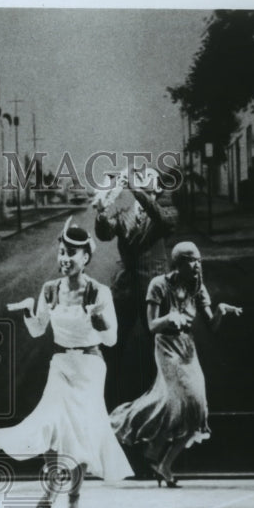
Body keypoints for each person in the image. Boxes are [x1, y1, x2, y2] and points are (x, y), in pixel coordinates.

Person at [0, 219, 132, 508]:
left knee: (78, 435)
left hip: (90, 368)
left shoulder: (99, 292)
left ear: (85, 258)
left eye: (72, 254)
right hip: (61, 366)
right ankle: (53, 481)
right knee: (50, 424)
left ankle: (73, 502)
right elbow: (40, 330)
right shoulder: (49, 289)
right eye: (62, 252)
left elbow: (112, 339)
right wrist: (29, 310)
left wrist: (98, 320)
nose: (64, 259)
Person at [110, 241, 243, 487]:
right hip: (166, 347)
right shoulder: (159, 285)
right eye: (191, 260)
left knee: (197, 407)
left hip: (187, 348)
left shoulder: (197, 286)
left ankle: (159, 458)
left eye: (199, 260)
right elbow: (151, 326)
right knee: (179, 401)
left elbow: (212, 325)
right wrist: (170, 317)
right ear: (178, 263)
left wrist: (221, 311)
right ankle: (130, 428)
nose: (197, 265)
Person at [91, 166, 179, 416]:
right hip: (126, 288)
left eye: (145, 177)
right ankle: (109, 404)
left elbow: (162, 219)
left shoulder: (167, 209)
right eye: (137, 177)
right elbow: (106, 234)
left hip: (155, 288)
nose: (139, 179)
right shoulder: (126, 213)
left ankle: (163, 404)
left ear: (157, 186)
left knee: (161, 347)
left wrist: (135, 188)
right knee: (112, 344)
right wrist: (101, 214)